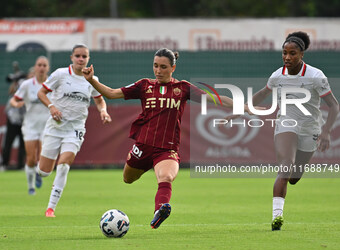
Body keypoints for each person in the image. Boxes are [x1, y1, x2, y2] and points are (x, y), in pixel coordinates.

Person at [82, 48, 257, 229]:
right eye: (155, 66)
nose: (158, 71)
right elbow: (111, 93)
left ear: (173, 68)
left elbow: (212, 98)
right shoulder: (144, 86)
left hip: (167, 148)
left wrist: (242, 106)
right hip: (142, 146)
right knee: (127, 179)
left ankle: (160, 210)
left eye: (163, 67)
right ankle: (158, 203)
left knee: (165, 177)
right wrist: (91, 80)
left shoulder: (182, 88)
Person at [234, 32, 339, 231]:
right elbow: (264, 93)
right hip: (286, 125)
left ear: (302, 55)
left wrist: (326, 132)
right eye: (284, 53)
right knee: (285, 167)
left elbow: (334, 106)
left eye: (292, 53)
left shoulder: (316, 76)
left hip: (310, 128)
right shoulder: (277, 75)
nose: (287, 57)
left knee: (294, 178)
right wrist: (241, 110)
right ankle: (277, 218)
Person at [37, 44, 112, 217]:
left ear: (88, 59)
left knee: (63, 166)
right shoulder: (60, 74)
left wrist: (103, 111)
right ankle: (41, 171)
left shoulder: (92, 79)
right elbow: (41, 93)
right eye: (77, 56)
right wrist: (51, 107)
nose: (81, 59)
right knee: (44, 172)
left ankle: (50, 208)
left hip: (75, 129)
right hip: (55, 128)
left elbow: (100, 100)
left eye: (84, 56)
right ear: (72, 57)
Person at [9, 57, 50, 195]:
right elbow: (14, 100)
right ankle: (31, 186)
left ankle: (39, 173)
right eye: (39, 65)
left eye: (44, 65)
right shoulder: (27, 84)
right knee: (31, 158)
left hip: (47, 125)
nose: (42, 67)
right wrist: (17, 104)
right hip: (30, 125)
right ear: (35, 67)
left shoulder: (52, 83)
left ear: (47, 68)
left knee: (43, 157)